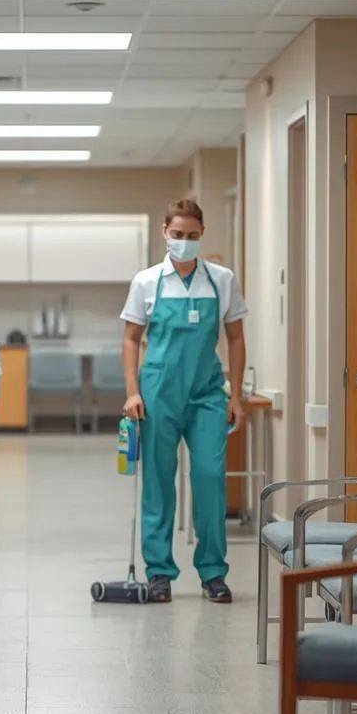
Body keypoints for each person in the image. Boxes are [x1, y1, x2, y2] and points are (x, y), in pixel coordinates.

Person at [120, 197, 247, 604]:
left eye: (192, 236)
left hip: (207, 392)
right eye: (178, 235)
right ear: (165, 232)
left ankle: (212, 572)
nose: (185, 243)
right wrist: (132, 392)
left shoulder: (221, 280)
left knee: (210, 477)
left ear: (202, 234)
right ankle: (159, 571)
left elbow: (236, 337)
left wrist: (237, 395)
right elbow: (130, 339)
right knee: (158, 480)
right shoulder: (146, 281)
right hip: (157, 392)